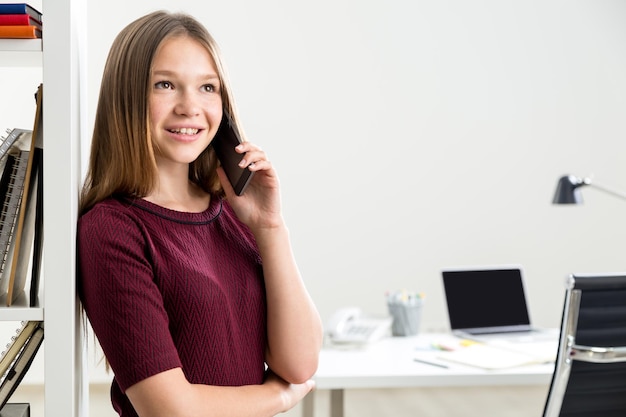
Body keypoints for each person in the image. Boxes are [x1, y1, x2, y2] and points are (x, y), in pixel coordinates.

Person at [77, 10, 323, 417]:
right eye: (165, 85)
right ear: (127, 97)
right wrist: (279, 398)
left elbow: (299, 363)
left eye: (207, 87)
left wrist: (270, 227)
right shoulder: (112, 229)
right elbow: (170, 410)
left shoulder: (234, 214)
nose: (190, 107)